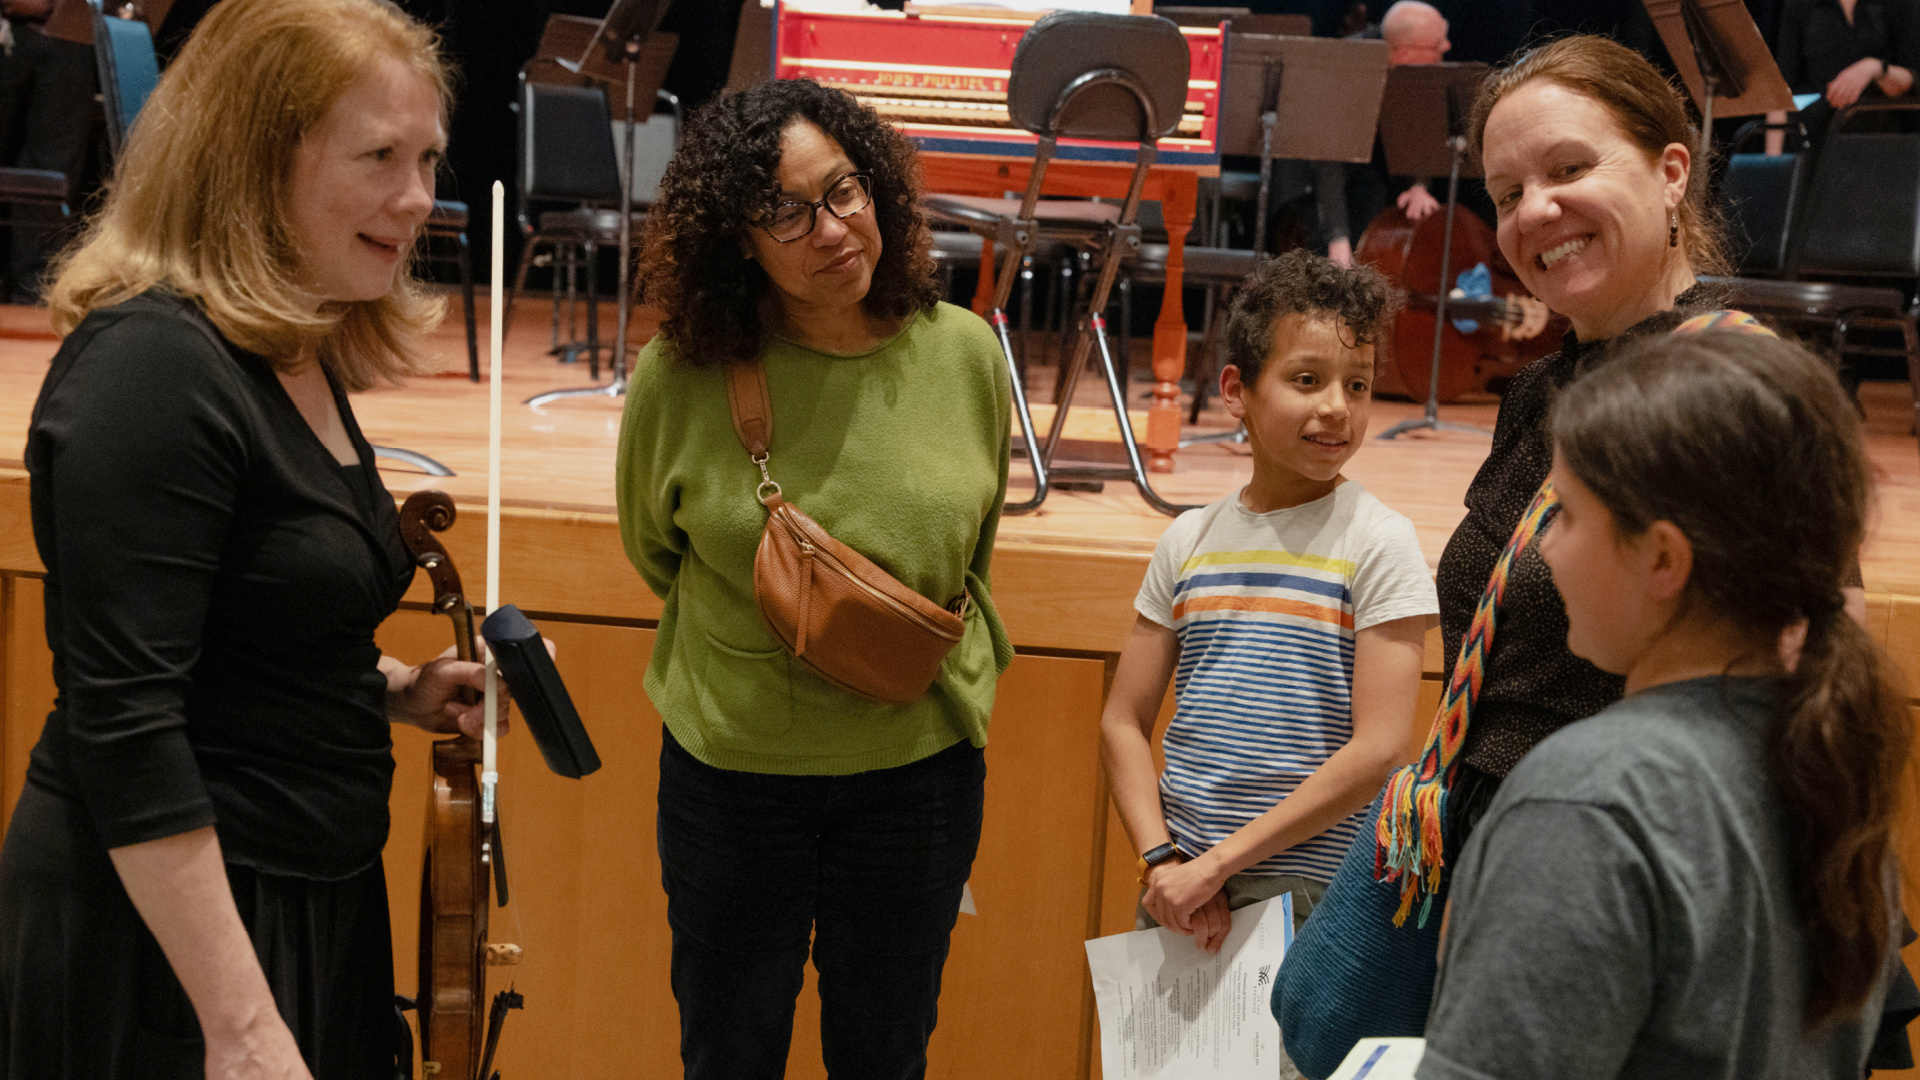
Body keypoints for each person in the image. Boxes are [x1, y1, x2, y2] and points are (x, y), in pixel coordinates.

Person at [0, 2, 500, 1077]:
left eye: (428, 159)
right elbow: (126, 718)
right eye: (380, 157)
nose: (419, 199)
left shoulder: (292, 348)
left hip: (307, 898)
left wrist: (393, 689)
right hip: (173, 945)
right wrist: (240, 1024)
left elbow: (246, 630)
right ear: (256, 157)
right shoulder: (152, 369)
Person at [616, 79, 1012, 1080]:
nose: (829, 228)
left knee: (887, 1054)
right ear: (736, 241)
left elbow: (971, 549)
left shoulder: (966, 355)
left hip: (916, 776)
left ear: (876, 187)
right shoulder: (685, 372)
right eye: (784, 212)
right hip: (735, 777)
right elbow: (653, 550)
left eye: (842, 192)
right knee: (728, 1051)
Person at [1420, 327, 1909, 1078]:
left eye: (1568, 516)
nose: (1543, 548)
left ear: (1662, 560)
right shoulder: (1833, 770)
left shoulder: (1587, 797)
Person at [1099, 252, 1434, 978]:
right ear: (1236, 391)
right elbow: (1122, 721)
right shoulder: (1187, 539)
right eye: (1307, 380)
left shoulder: (1380, 541)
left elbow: (1378, 750)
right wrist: (1165, 859)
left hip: (1307, 896)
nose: (1337, 407)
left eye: (1358, 384)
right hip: (1178, 885)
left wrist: (1218, 866)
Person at [1325, 0, 1447, 268]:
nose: (1447, 47)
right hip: (1320, 185)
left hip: (1374, 178)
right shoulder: (1346, 65)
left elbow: (1418, 125)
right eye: (1437, 45)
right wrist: (1337, 236)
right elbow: (1327, 157)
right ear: (1403, 54)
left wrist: (1419, 185)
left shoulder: (1418, 68)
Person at [1775, 0, 1918, 147]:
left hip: (1886, 139)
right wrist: (1772, 162)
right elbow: (1780, 90)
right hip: (1818, 138)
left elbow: (1912, 82)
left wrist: (1874, 68)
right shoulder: (1799, 5)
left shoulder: (1898, 4)